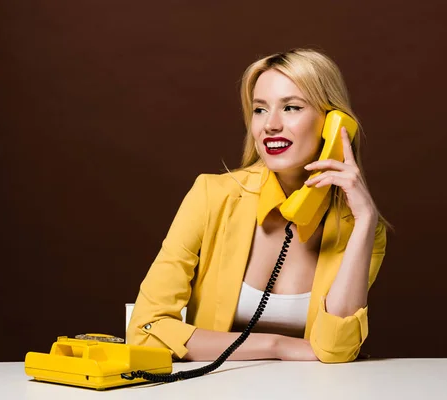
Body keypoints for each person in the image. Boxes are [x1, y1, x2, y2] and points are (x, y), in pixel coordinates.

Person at [127, 48, 389, 363]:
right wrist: (276, 346)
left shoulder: (360, 227)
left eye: (291, 107)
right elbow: (144, 330)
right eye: (260, 110)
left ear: (334, 124)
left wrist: (364, 223)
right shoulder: (212, 196)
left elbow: (337, 350)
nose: (270, 125)